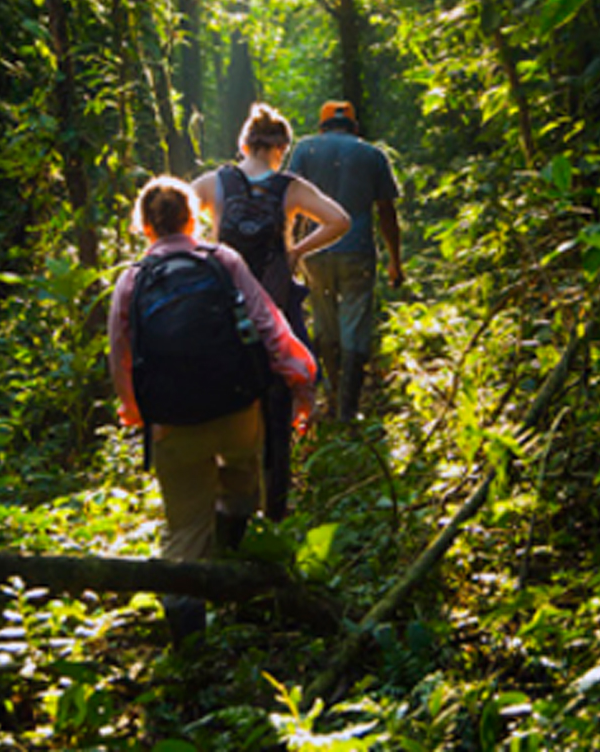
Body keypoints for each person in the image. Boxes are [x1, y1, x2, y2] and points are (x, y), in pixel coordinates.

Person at [108, 175, 317, 643]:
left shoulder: (132, 279)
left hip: (172, 424)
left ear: (144, 227)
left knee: (184, 527)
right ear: (194, 219)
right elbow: (270, 327)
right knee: (243, 480)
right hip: (236, 410)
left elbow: (120, 354)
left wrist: (134, 410)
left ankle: (188, 634)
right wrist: (303, 380)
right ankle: (233, 559)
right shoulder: (222, 261)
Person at [190, 103, 349, 521]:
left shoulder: (213, 183)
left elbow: (175, 222)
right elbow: (340, 220)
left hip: (223, 318)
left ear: (244, 143)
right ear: (282, 147)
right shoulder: (289, 188)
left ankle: (227, 515)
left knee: (225, 412)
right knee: (277, 415)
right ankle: (275, 511)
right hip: (274, 320)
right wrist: (296, 250)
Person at [288, 100, 404, 421]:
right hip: (358, 252)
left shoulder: (305, 150)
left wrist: (291, 250)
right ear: (354, 126)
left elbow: (291, 203)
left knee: (324, 323)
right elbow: (386, 211)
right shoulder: (372, 154)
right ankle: (349, 409)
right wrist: (395, 260)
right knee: (355, 324)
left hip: (315, 252)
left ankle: (334, 393)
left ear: (321, 125)